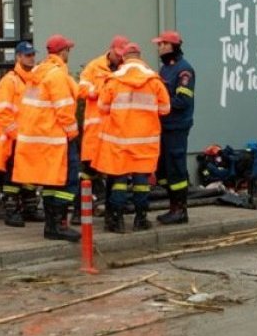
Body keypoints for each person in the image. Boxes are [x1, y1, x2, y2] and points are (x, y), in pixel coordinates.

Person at [93, 43, 170, 233]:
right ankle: (140, 219)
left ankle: (117, 221)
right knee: (141, 182)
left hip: (119, 140)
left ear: (124, 58)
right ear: (140, 57)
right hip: (145, 142)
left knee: (119, 180)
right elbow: (165, 109)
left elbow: (102, 108)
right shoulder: (154, 81)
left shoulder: (113, 81)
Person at [13, 34, 82, 242]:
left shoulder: (38, 73)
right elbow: (64, 109)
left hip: (42, 138)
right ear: (63, 52)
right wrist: (73, 134)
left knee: (52, 183)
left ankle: (52, 225)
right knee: (67, 182)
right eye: (68, 50)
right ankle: (58, 224)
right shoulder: (57, 75)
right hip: (57, 139)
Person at [0, 41, 42, 228]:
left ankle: (30, 209)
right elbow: (4, 113)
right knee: (12, 177)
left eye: (32, 55)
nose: (31, 58)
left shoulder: (34, 80)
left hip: (29, 139)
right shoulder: (9, 81)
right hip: (14, 140)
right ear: (18, 57)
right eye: (27, 55)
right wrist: (17, 135)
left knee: (29, 175)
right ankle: (11, 211)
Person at [77, 35, 129, 221]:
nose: (120, 58)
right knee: (87, 172)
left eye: (123, 55)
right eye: (118, 54)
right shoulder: (94, 66)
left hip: (114, 131)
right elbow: (81, 89)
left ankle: (109, 211)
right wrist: (99, 92)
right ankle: (78, 212)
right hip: (95, 130)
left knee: (114, 173)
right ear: (111, 49)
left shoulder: (126, 68)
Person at [153, 30, 195, 225]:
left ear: (172, 46)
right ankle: (173, 207)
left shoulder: (184, 70)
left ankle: (180, 210)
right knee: (164, 170)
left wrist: (159, 104)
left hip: (176, 128)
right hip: (164, 127)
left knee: (176, 168)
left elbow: (182, 100)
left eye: (162, 44)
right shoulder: (165, 69)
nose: (159, 48)